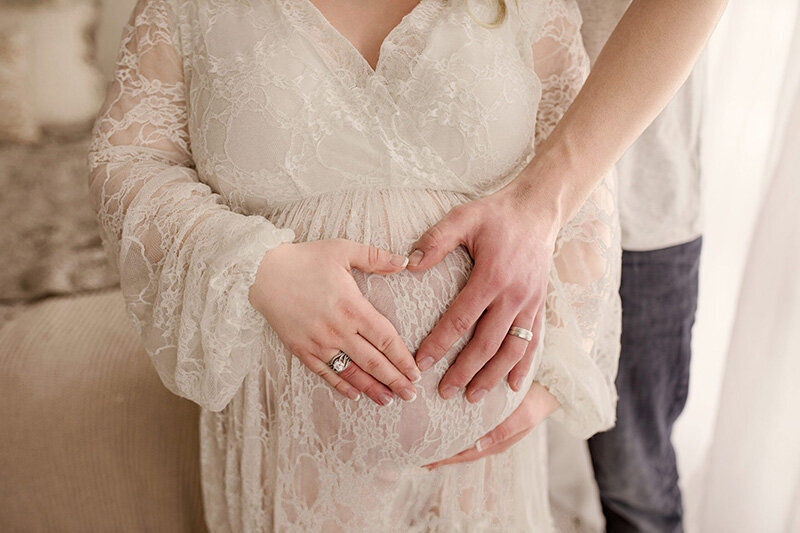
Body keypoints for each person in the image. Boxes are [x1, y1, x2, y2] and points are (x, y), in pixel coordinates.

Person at [87, 0, 619, 530]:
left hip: (485, 468)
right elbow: (130, 159)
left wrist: (556, 374)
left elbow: (583, 173)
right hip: (291, 452)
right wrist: (258, 267)